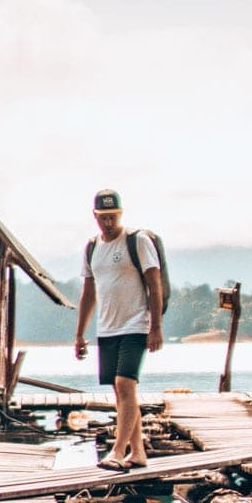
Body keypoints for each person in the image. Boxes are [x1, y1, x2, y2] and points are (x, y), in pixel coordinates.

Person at [75, 188, 163, 469]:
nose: (109, 223)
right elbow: (88, 293)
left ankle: (117, 451)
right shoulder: (91, 248)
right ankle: (137, 452)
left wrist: (156, 327)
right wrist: (80, 334)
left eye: (113, 217)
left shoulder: (138, 241)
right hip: (107, 328)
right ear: (95, 216)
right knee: (120, 392)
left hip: (136, 323)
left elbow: (155, 284)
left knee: (125, 384)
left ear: (121, 214)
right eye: (103, 218)